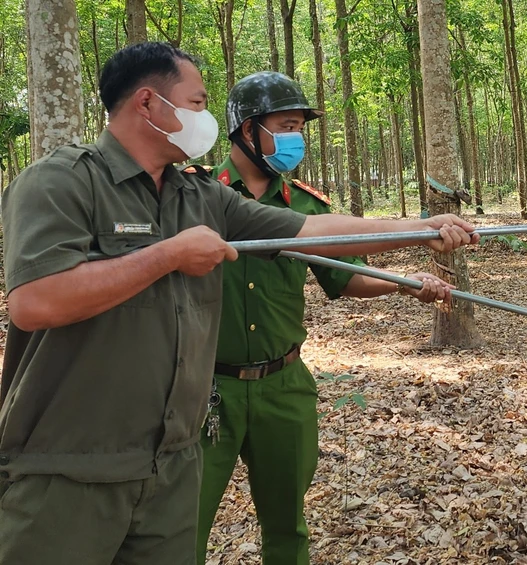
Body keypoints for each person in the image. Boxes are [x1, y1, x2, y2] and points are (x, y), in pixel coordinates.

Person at [0, 42, 475, 565]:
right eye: (197, 104)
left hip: (171, 461)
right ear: (148, 103)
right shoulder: (61, 181)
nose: (204, 119)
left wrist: (419, 229)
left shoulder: (200, 197)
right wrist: (167, 255)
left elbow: (311, 231)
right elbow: (35, 302)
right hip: (71, 465)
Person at [195, 72, 451, 564]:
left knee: (287, 525)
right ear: (247, 130)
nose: (297, 139)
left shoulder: (308, 206)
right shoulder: (196, 194)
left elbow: (346, 279)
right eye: (287, 126)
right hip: (207, 390)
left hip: (284, 387)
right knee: (184, 526)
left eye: (300, 128)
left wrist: (404, 283)